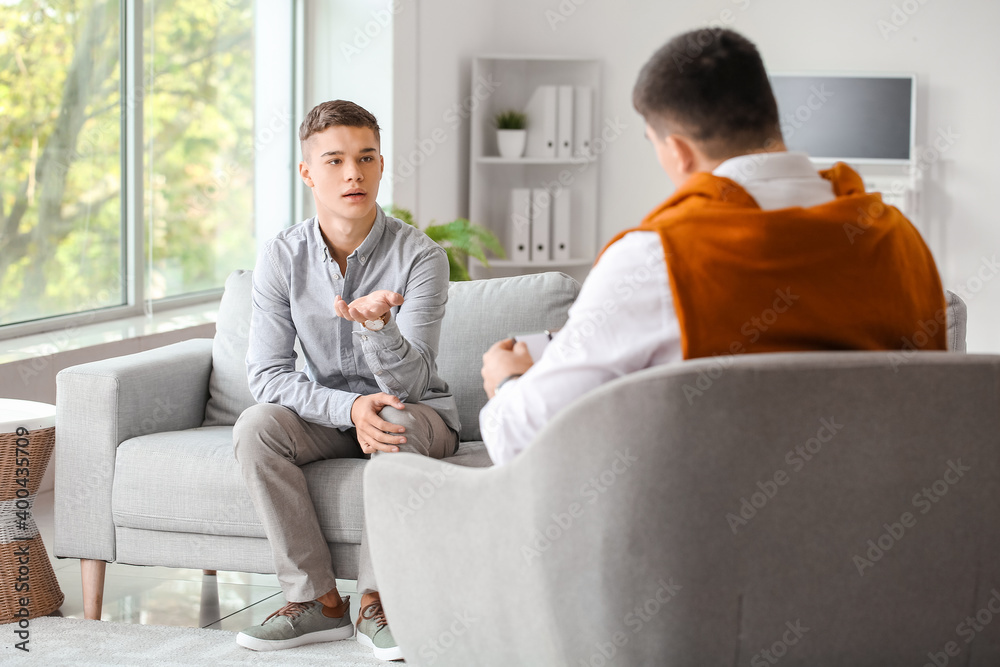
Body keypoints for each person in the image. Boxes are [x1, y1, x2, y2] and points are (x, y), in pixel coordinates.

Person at [480, 28, 946, 465]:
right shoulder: (899, 237)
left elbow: (524, 441)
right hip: (898, 538)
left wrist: (508, 381)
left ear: (678, 150)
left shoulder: (657, 257)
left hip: (712, 545)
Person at [233, 100, 459, 660]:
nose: (352, 173)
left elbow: (412, 384)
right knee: (257, 425)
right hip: (332, 414)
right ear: (309, 173)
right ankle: (317, 604)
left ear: (382, 165)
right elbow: (267, 376)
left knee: (396, 418)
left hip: (416, 414)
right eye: (333, 161)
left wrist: (378, 325)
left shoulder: (422, 257)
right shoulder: (283, 257)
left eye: (365, 158)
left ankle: (379, 602)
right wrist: (348, 409)